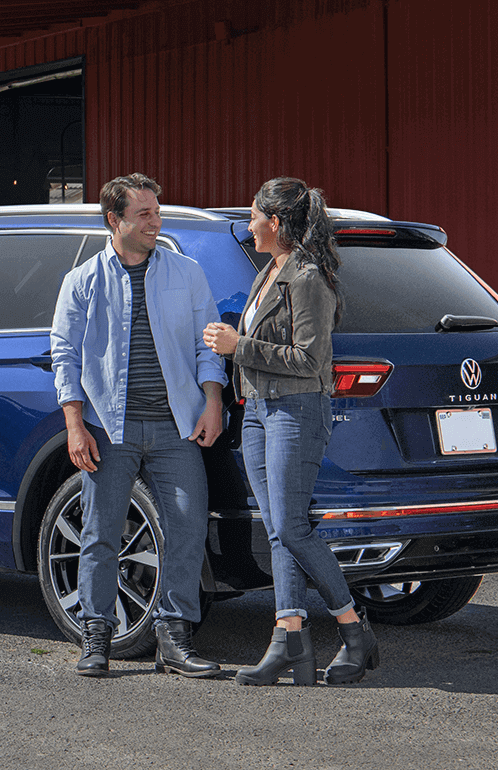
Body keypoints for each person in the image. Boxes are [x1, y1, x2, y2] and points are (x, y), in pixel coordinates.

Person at [203, 177, 379, 686]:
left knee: (292, 528)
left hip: (296, 411)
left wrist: (239, 347)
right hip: (259, 410)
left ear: (275, 222)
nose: (249, 224)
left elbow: (309, 360)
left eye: (255, 215)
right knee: (279, 528)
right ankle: (289, 640)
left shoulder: (307, 278)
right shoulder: (270, 271)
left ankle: (353, 627)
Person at [51, 173, 227, 678]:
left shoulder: (187, 273)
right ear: (116, 220)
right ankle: (96, 638)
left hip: (177, 425)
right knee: (101, 533)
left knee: (189, 528)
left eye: (157, 211)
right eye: (145, 214)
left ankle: (174, 640)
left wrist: (212, 401)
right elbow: (63, 354)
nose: (156, 221)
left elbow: (207, 343)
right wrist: (75, 424)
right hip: (110, 426)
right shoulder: (82, 280)